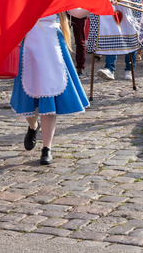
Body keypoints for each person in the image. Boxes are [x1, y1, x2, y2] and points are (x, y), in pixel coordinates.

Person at [12, 12, 89, 165]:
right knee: (28, 99)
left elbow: (77, 12)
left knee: (49, 97)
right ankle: (33, 126)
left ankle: (47, 148)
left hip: (53, 45)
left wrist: (98, 3)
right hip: (29, 45)